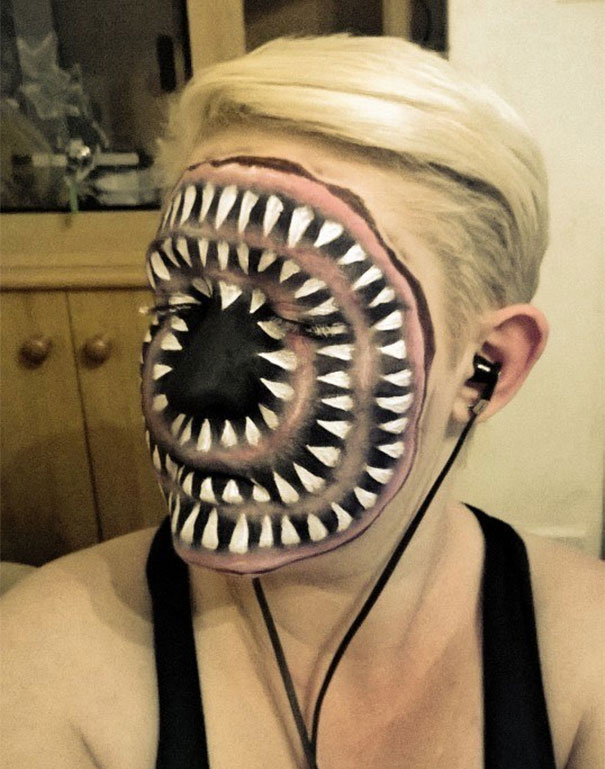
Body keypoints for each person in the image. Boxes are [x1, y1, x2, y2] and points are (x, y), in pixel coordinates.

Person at [1, 36, 602, 769]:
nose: (193, 382)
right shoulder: (44, 658)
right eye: (178, 304)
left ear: (486, 370)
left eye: (305, 316)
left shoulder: (586, 657)